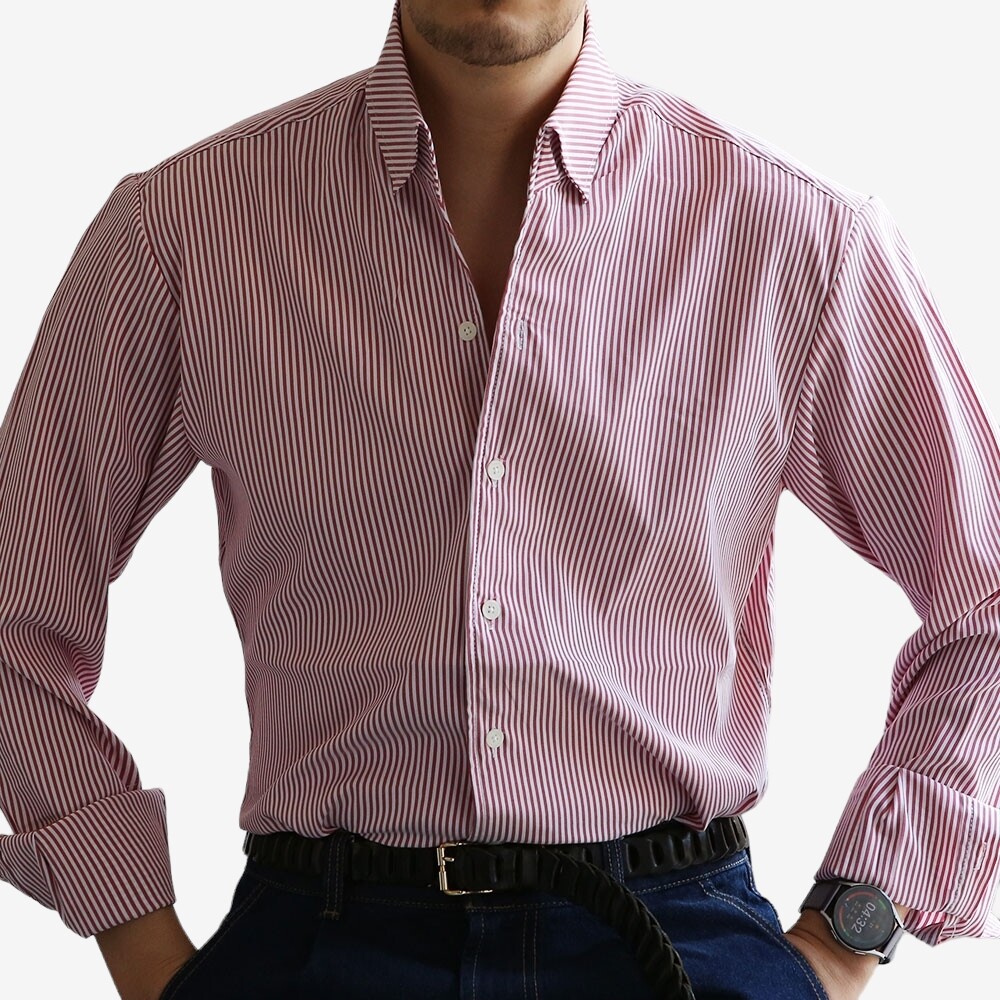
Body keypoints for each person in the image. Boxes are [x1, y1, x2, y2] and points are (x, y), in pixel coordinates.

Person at [1, 1, 998, 997]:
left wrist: (851, 929)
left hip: (678, 941)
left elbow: (984, 600)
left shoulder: (793, 235)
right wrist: (140, 944)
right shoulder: (185, 229)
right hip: (318, 943)